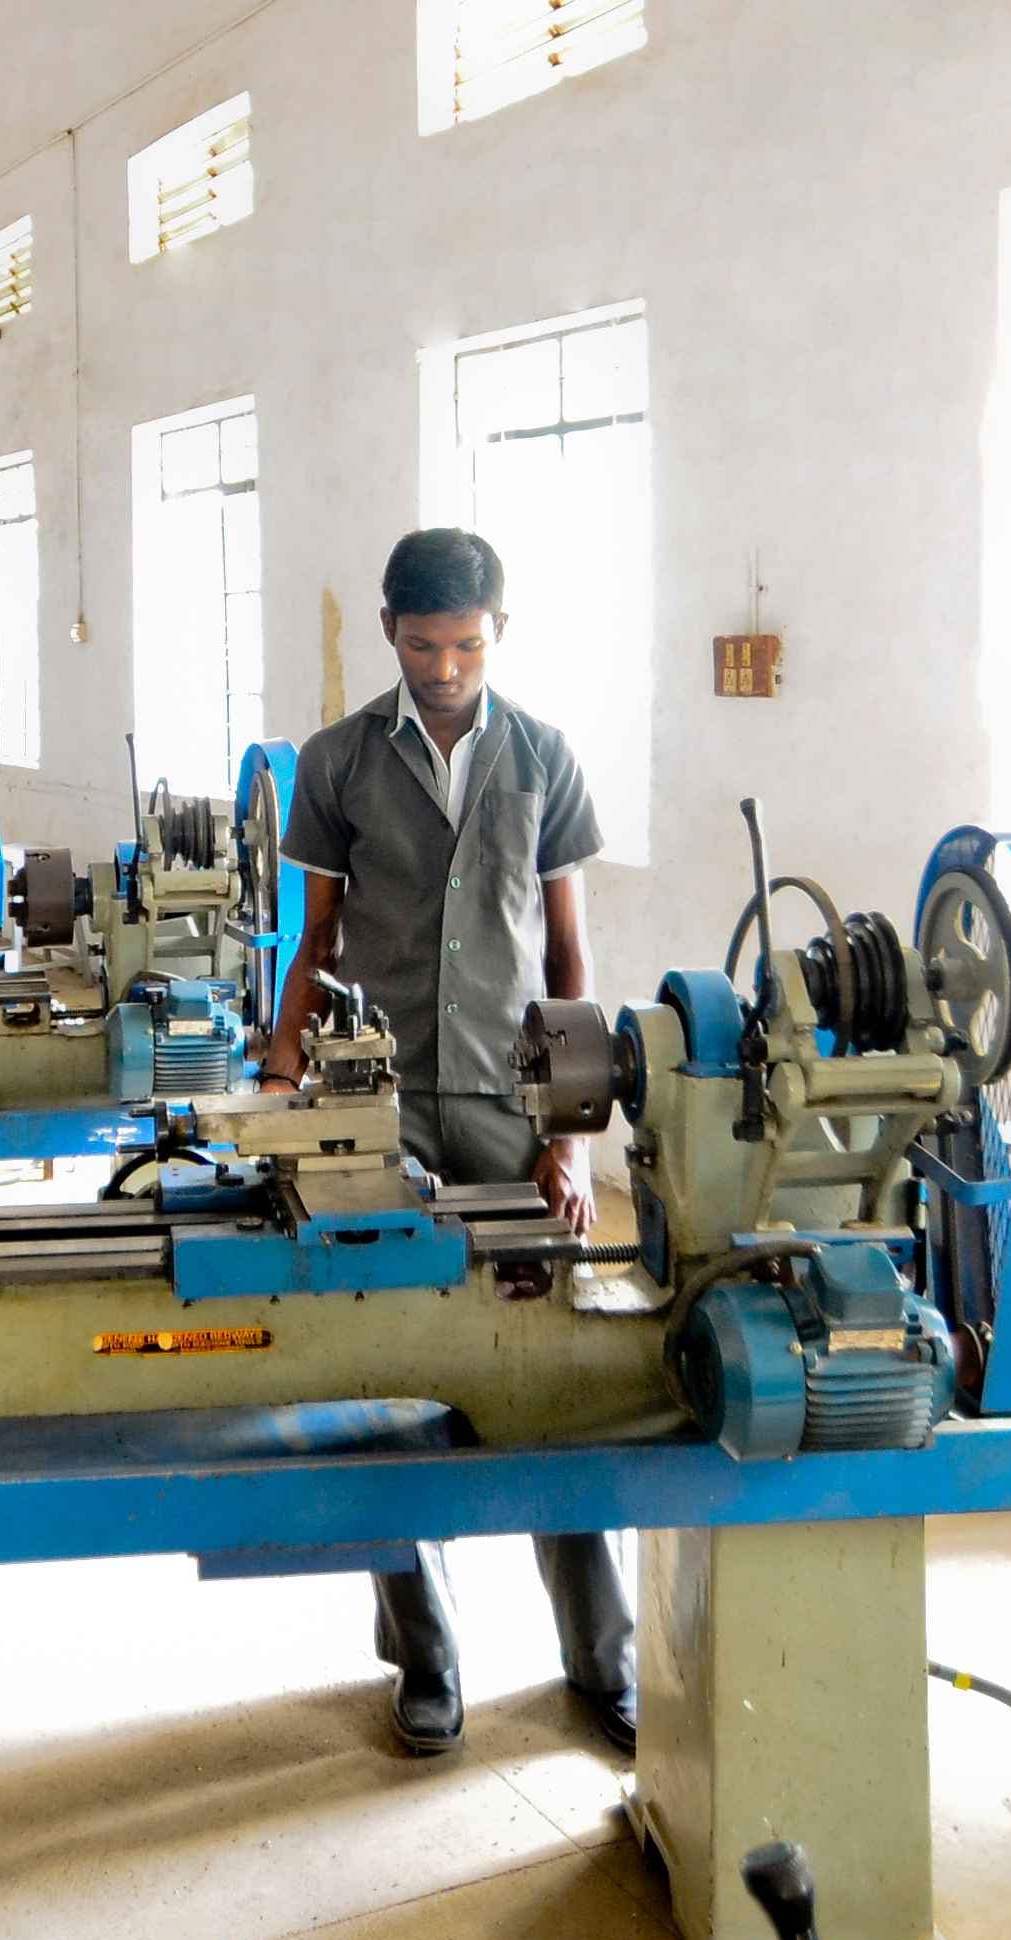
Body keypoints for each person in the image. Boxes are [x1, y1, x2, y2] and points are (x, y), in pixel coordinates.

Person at [255, 529, 635, 1759]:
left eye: (467, 644)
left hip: (515, 1095)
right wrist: (280, 1075)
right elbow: (312, 938)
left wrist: (571, 1135)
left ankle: (604, 1661)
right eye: (424, 646)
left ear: (499, 633)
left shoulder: (546, 759)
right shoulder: (337, 762)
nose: (446, 668)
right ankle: (426, 1660)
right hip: (382, 1095)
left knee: (553, 1370)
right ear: (389, 635)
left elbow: (568, 957)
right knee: (388, 1375)